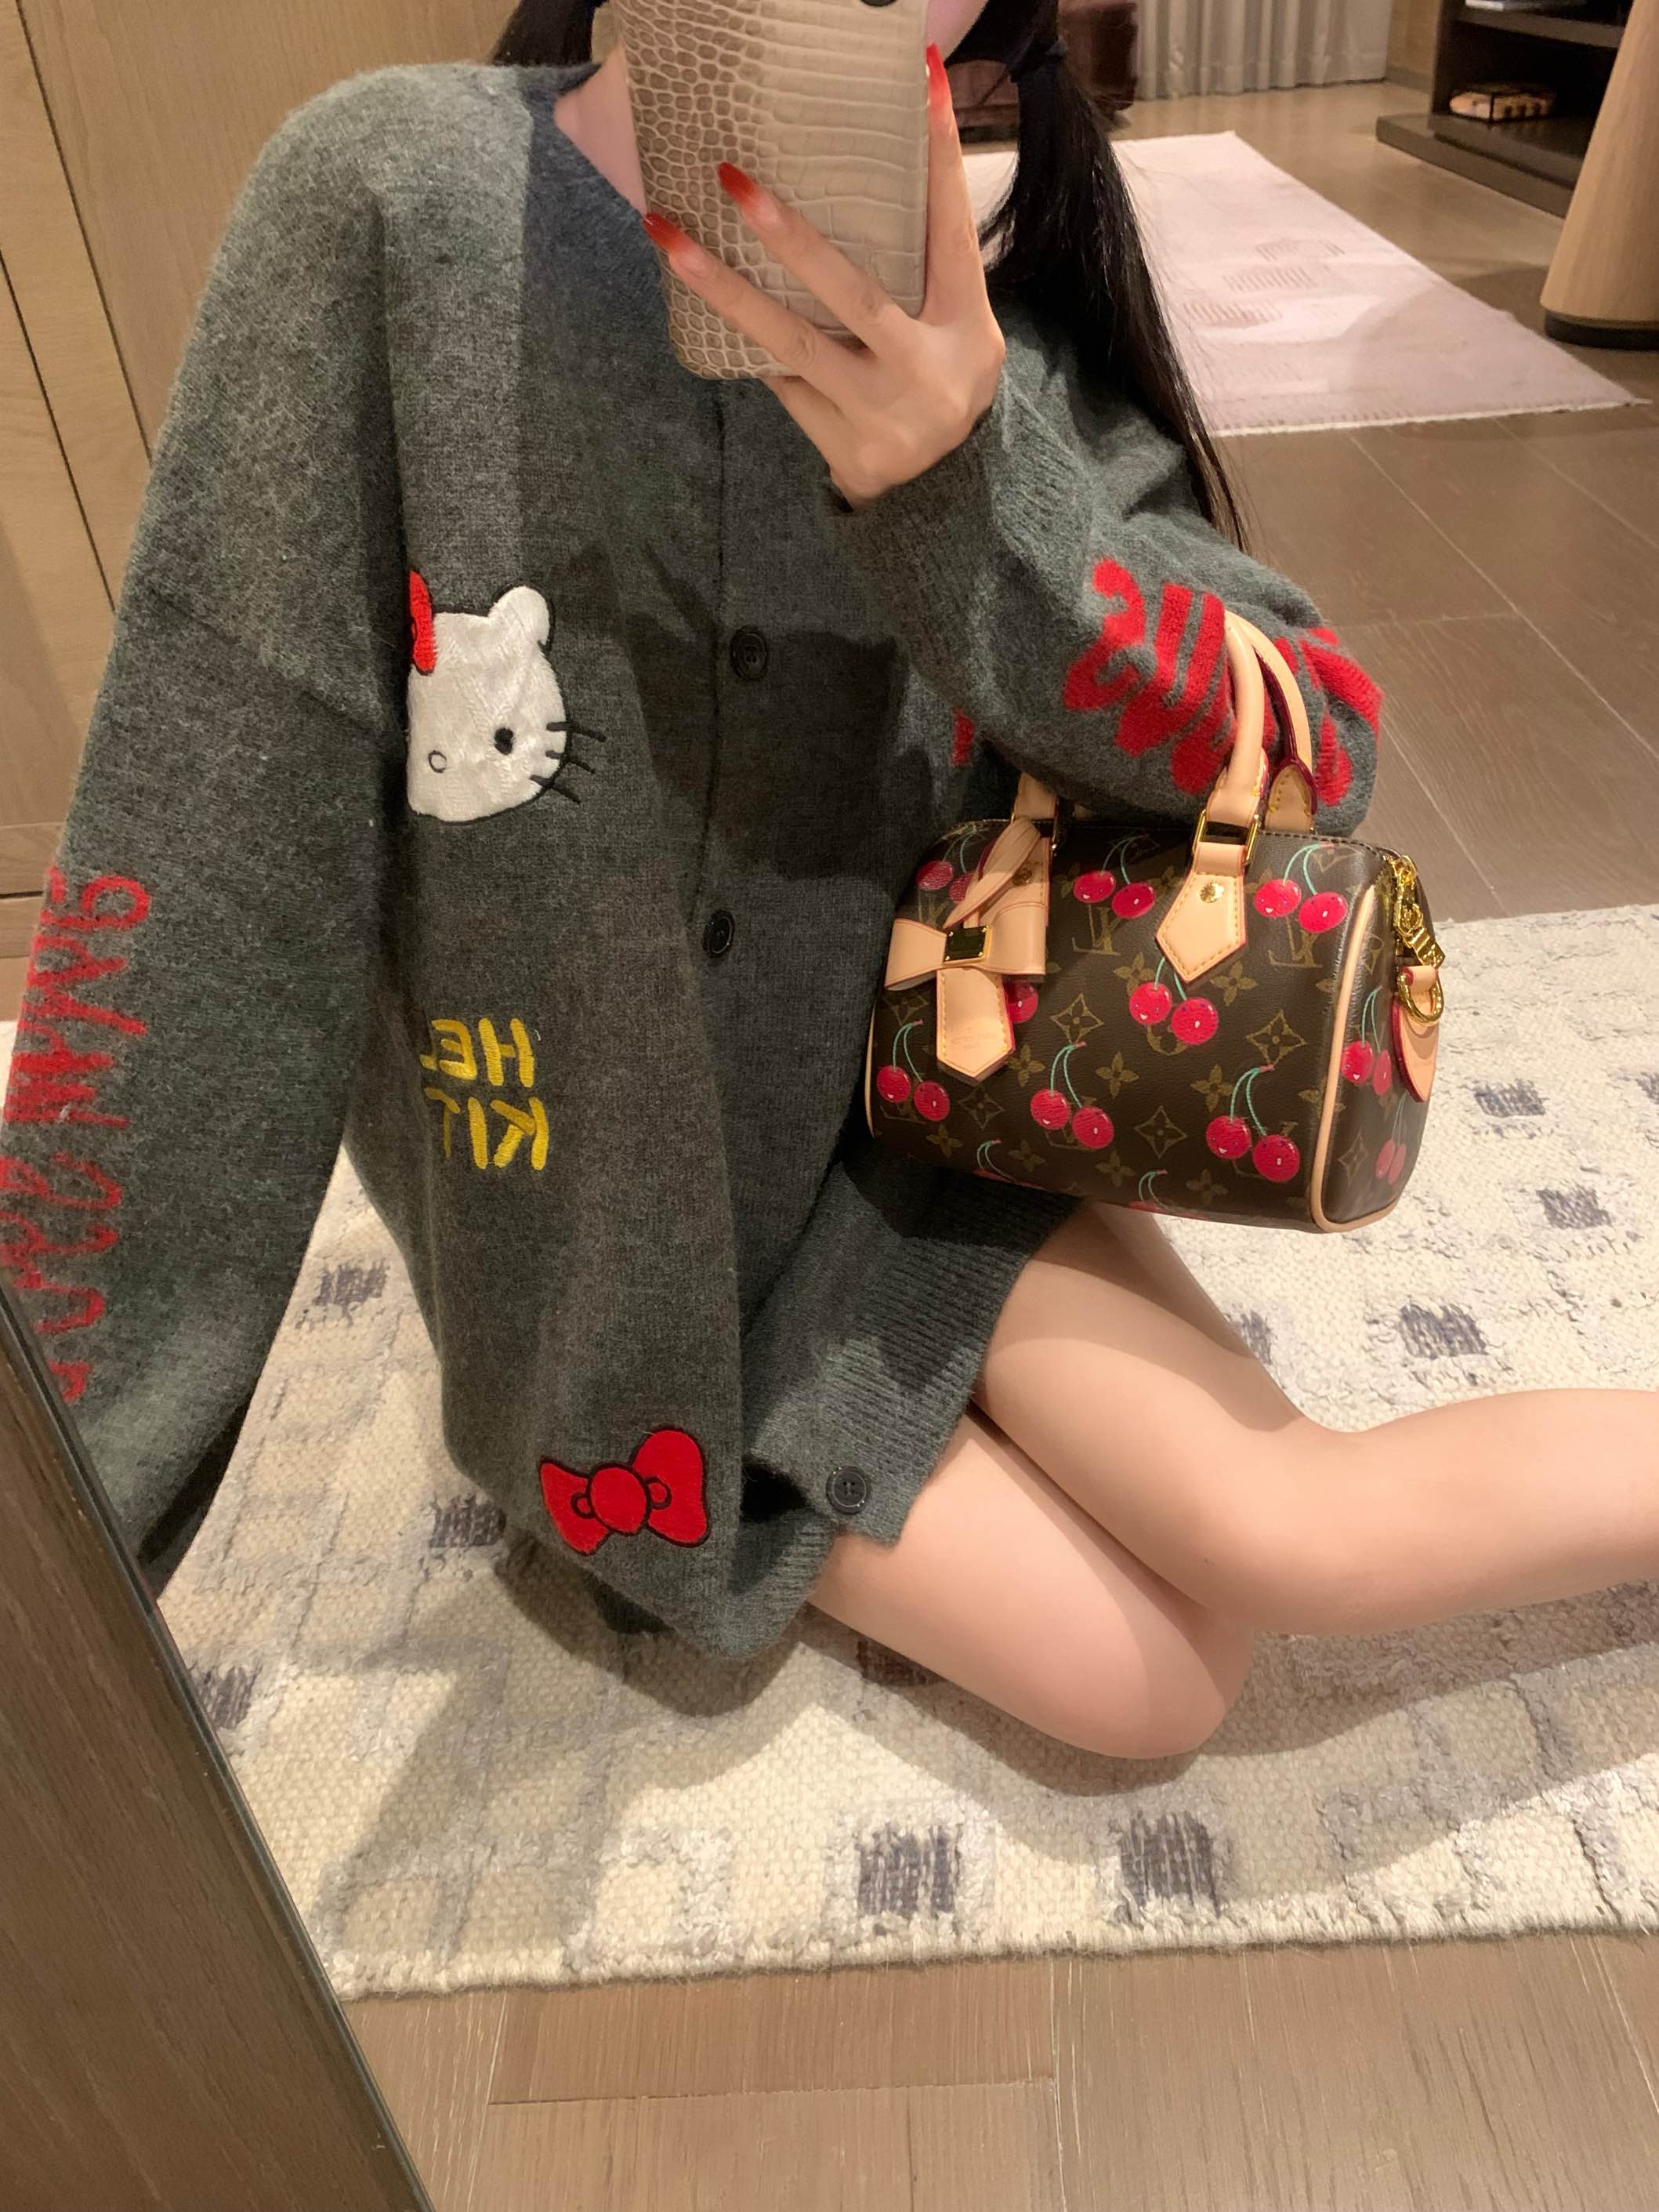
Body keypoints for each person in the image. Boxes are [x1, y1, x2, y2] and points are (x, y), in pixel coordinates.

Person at [2, 0, 1652, 1763]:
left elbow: (1313, 745)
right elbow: (208, 910)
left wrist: (966, 494)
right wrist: (56, 1566)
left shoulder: (991, 331)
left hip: (925, 1131)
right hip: (609, 1289)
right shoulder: (389, 210)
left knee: (1295, 1536)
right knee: (1154, 1683)